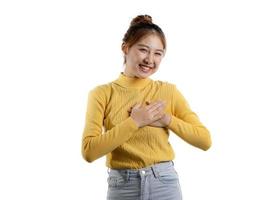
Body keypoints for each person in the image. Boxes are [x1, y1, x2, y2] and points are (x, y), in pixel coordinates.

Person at [81, 14, 212, 200]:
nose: (150, 60)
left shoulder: (169, 91)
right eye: (143, 50)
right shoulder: (101, 94)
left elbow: (205, 141)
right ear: (125, 48)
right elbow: (89, 151)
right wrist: (135, 121)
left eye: (158, 53)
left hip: (164, 184)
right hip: (123, 187)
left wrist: (167, 120)